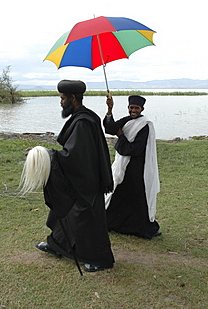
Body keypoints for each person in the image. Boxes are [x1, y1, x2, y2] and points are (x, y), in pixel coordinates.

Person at [28, 80, 114, 272]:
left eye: (63, 98)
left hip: (86, 182)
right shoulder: (83, 117)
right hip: (82, 177)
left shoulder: (83, 122)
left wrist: (44, 154)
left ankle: (102, 260)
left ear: (73, 98)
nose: (61, 102)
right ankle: (57, 245)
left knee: (86, 219)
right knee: (62, 207)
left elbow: (74, 156)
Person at [103, 94, 161, 239]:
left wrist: (122, 137)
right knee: (119, 194)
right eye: (131, 108)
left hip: (137, 167)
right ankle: (113, 223)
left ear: (142, 109)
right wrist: (110, 109)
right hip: (124, 166)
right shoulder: (127, 120)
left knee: (136, 196)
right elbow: (111, 128)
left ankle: (140, 228)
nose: (133, 110)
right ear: (128, 108)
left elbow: (135, 149)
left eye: (136, 108)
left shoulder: (145, 125)